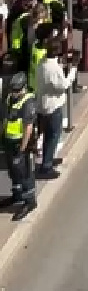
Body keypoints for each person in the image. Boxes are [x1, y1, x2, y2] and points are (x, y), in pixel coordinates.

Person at [36, 37, 74, 179]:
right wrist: (72, 71)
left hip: (42, 105)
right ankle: (46, 166)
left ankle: (49, 159)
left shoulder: (42, 63)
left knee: (48, 135)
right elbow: (62, 86)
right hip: (53, 107)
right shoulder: (54, 68)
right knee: (53, 136)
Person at [3, 70, 38, 219]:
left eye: (17, 90)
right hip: (9, 141)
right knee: (13, 171)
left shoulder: (28, 102)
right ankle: (17, 195)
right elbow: (6, 118)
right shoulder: (10, 98)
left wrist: (22, 149)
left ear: (24, 88)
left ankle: (29, 201)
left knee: (24, 173)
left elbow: (28, 128)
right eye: (13, 90)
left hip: (21, 144)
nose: (15, 93)